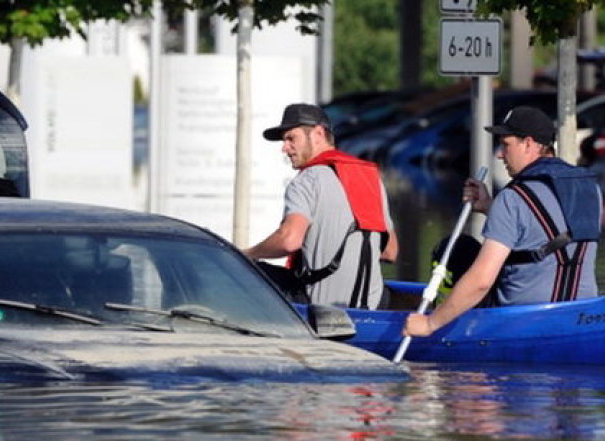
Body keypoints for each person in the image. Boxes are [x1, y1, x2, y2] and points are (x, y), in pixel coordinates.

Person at [403, 105, 603, 339]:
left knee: (456, 249)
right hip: (583, 318)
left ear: (528, 143)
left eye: (506, 144)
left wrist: (429, 324)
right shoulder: (591, 188)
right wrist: (490, 207)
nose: (499, 154)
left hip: (523, 323)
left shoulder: (513, 197)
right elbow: (547, 230)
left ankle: (444, 324)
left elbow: (481, 281)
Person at [244, 103, 398, 310]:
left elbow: (289, 241)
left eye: (291, 138)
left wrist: (249, 254)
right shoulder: (371, 178)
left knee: (241, 269)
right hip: (372, 306)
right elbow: (390, 251)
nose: (284, 148)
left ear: (317, 134)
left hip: (319, 307)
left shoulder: (307, 180)